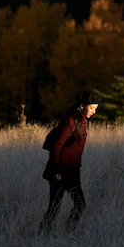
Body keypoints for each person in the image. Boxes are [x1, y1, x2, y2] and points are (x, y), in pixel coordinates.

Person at [39, 89, 100, 233]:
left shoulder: (83, 121)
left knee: (80, 204)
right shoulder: (70, 121)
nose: (94, 112)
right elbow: (56, 146)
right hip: (59, 173)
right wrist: (56, 171)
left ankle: (68, 233)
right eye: (92, 108)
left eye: (96, 109)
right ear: (82, 105)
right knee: (54, 207)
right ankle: (42, 234)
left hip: (72, 173)